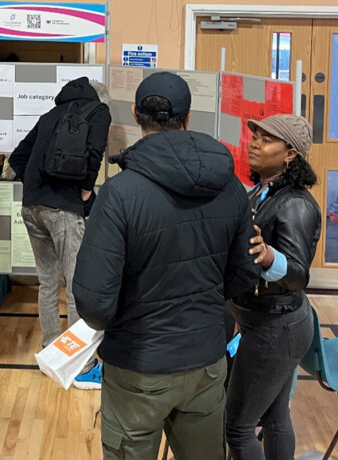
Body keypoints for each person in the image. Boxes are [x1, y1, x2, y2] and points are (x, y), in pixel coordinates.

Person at [72, 71, 261, 460]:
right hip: (207, 359)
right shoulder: (231, 187)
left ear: (135, 116)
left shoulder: (120, 194)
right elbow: (244, 272)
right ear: (188, 117)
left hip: (139, 364)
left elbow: (94, 303)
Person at [226, 115, 321, 460]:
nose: (254, 143)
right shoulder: (260, 192)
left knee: (237, 428)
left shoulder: (295, 204)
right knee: (274, 416)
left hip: (277, 326)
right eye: (255, 136)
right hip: (263, 320)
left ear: (290, 154)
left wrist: (268, 256)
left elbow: (297, 276)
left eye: (267, 140)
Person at [9, 77, 111, 389]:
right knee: (77, 286)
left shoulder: (49, 115)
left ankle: (52, 349)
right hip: (64, 209)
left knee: (48, 283)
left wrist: (36, 186)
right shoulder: (98, 112)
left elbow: (18, 157)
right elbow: (94, 152)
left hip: (31, 208)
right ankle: (81, 365)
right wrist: (84, 190)